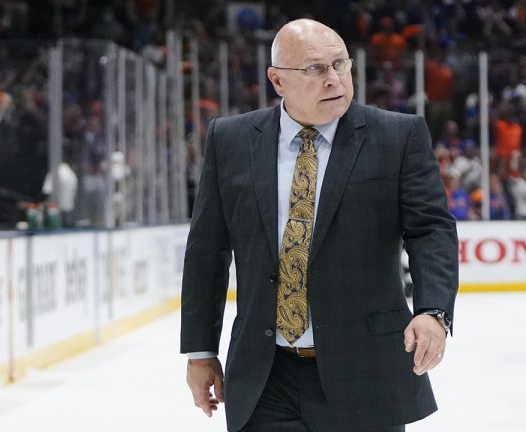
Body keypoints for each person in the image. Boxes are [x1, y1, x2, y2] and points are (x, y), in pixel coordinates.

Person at [180, 19, 458, 432]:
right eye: (315, 69)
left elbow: (431, 229)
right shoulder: (231, 139)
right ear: (277, 80)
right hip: (264, 375)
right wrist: (200, 351)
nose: (334, 79)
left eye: (340, 64)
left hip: (365, 369)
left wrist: (433, 311)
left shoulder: (397, 136)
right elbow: (208, 249)